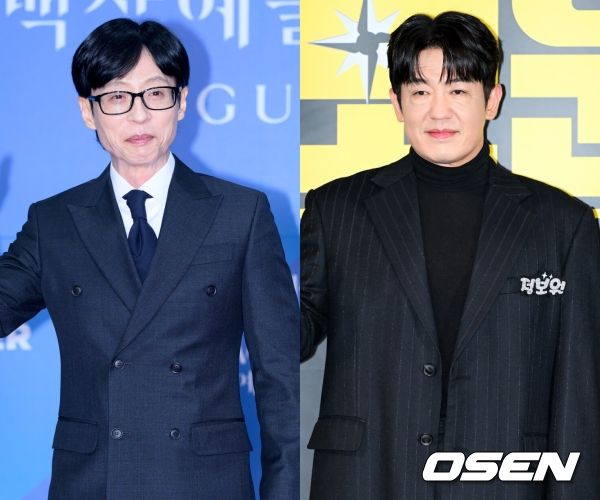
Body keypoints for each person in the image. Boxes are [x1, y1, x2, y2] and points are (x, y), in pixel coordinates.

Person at [301, 11, 600, 500]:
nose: (438, 112)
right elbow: (291, 329)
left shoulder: (563, 225)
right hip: (368, 478)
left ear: (492, 100)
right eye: (420, 91)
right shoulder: (336, 210)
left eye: (458, 90)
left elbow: (580, 397)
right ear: (397, 103)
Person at [0, 18, 298, 500]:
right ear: (88, 111)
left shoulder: (240, 214)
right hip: (94, 483)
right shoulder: (53, 222)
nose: (138, 116)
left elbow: (281, 376)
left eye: (156, 94)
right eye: (117, 97)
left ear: (181, 101)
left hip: (205, 483)